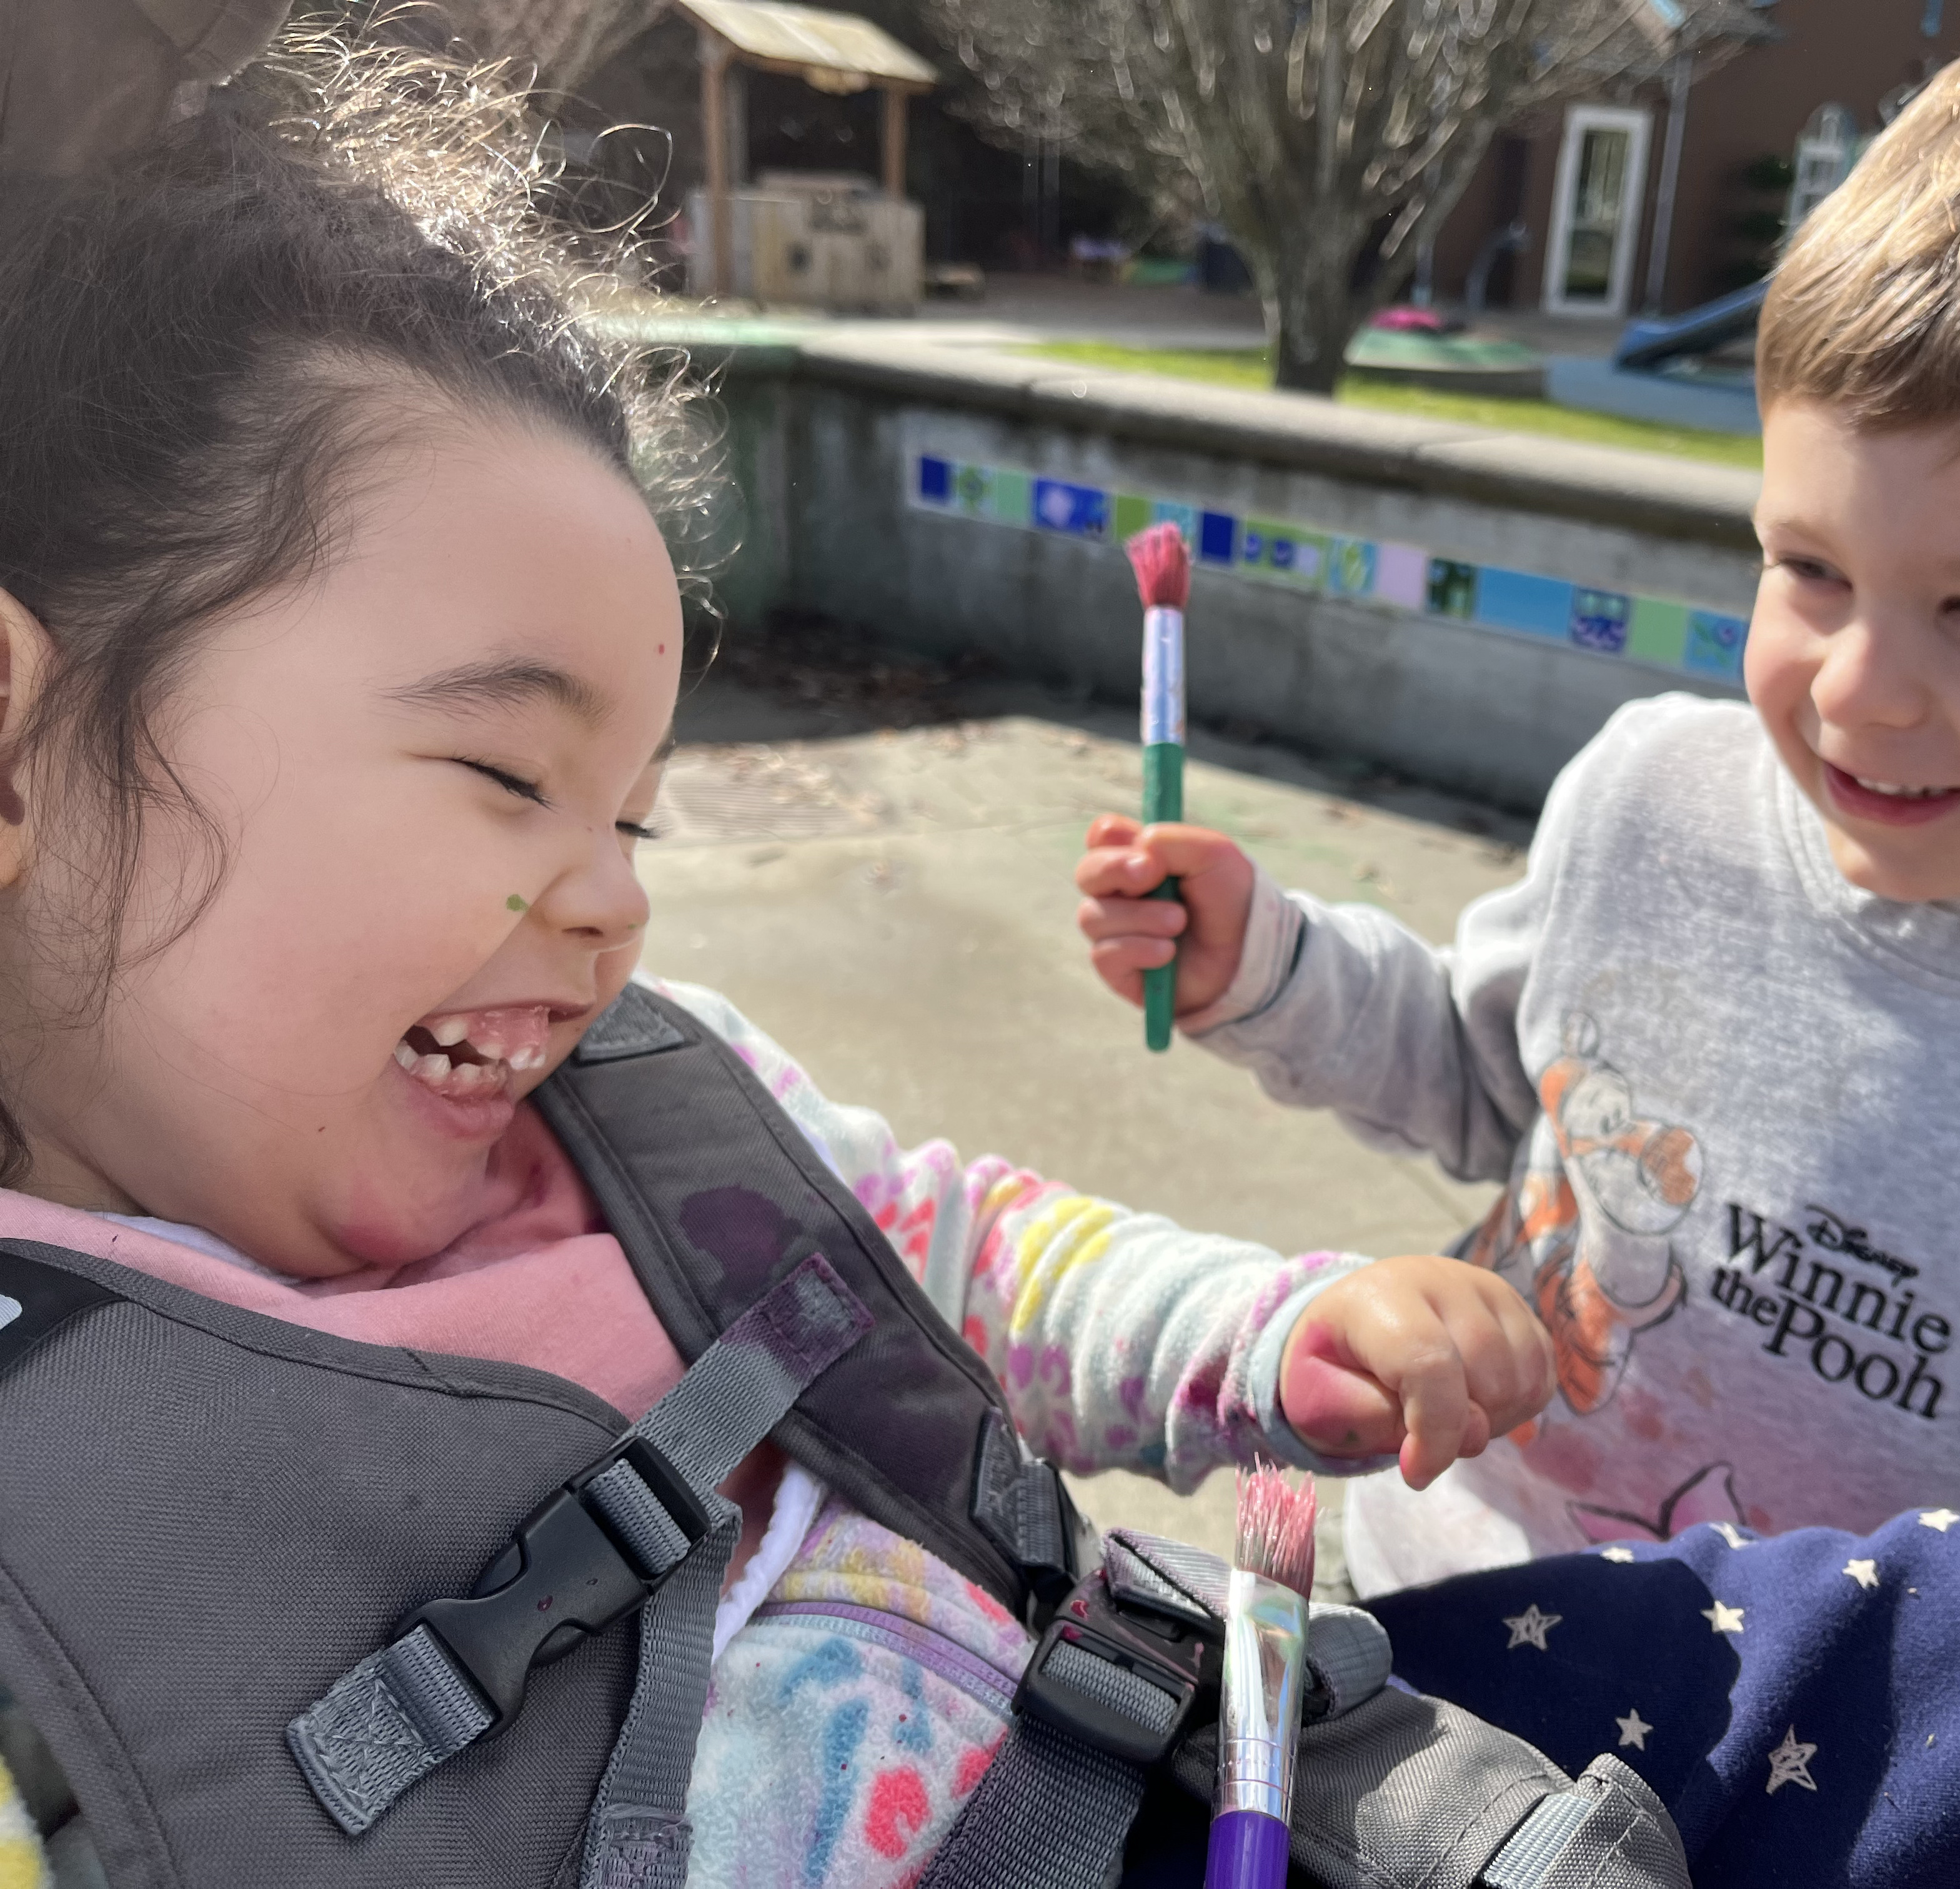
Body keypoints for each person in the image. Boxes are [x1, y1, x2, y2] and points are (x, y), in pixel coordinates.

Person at [0, 29, 1553, 1888]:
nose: (609, 904)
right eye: (509, 773)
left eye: (636, 816)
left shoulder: (640, 1115)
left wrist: (1263, 1331)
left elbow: (953, 1250)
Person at [1076, 0, 1960, 1824]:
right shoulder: (1650, 797)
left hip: (1871, 1761)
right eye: (1807, 566)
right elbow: (1482, 1068)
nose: (1852, 690)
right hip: (1452, 1621)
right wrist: (1260, 965)